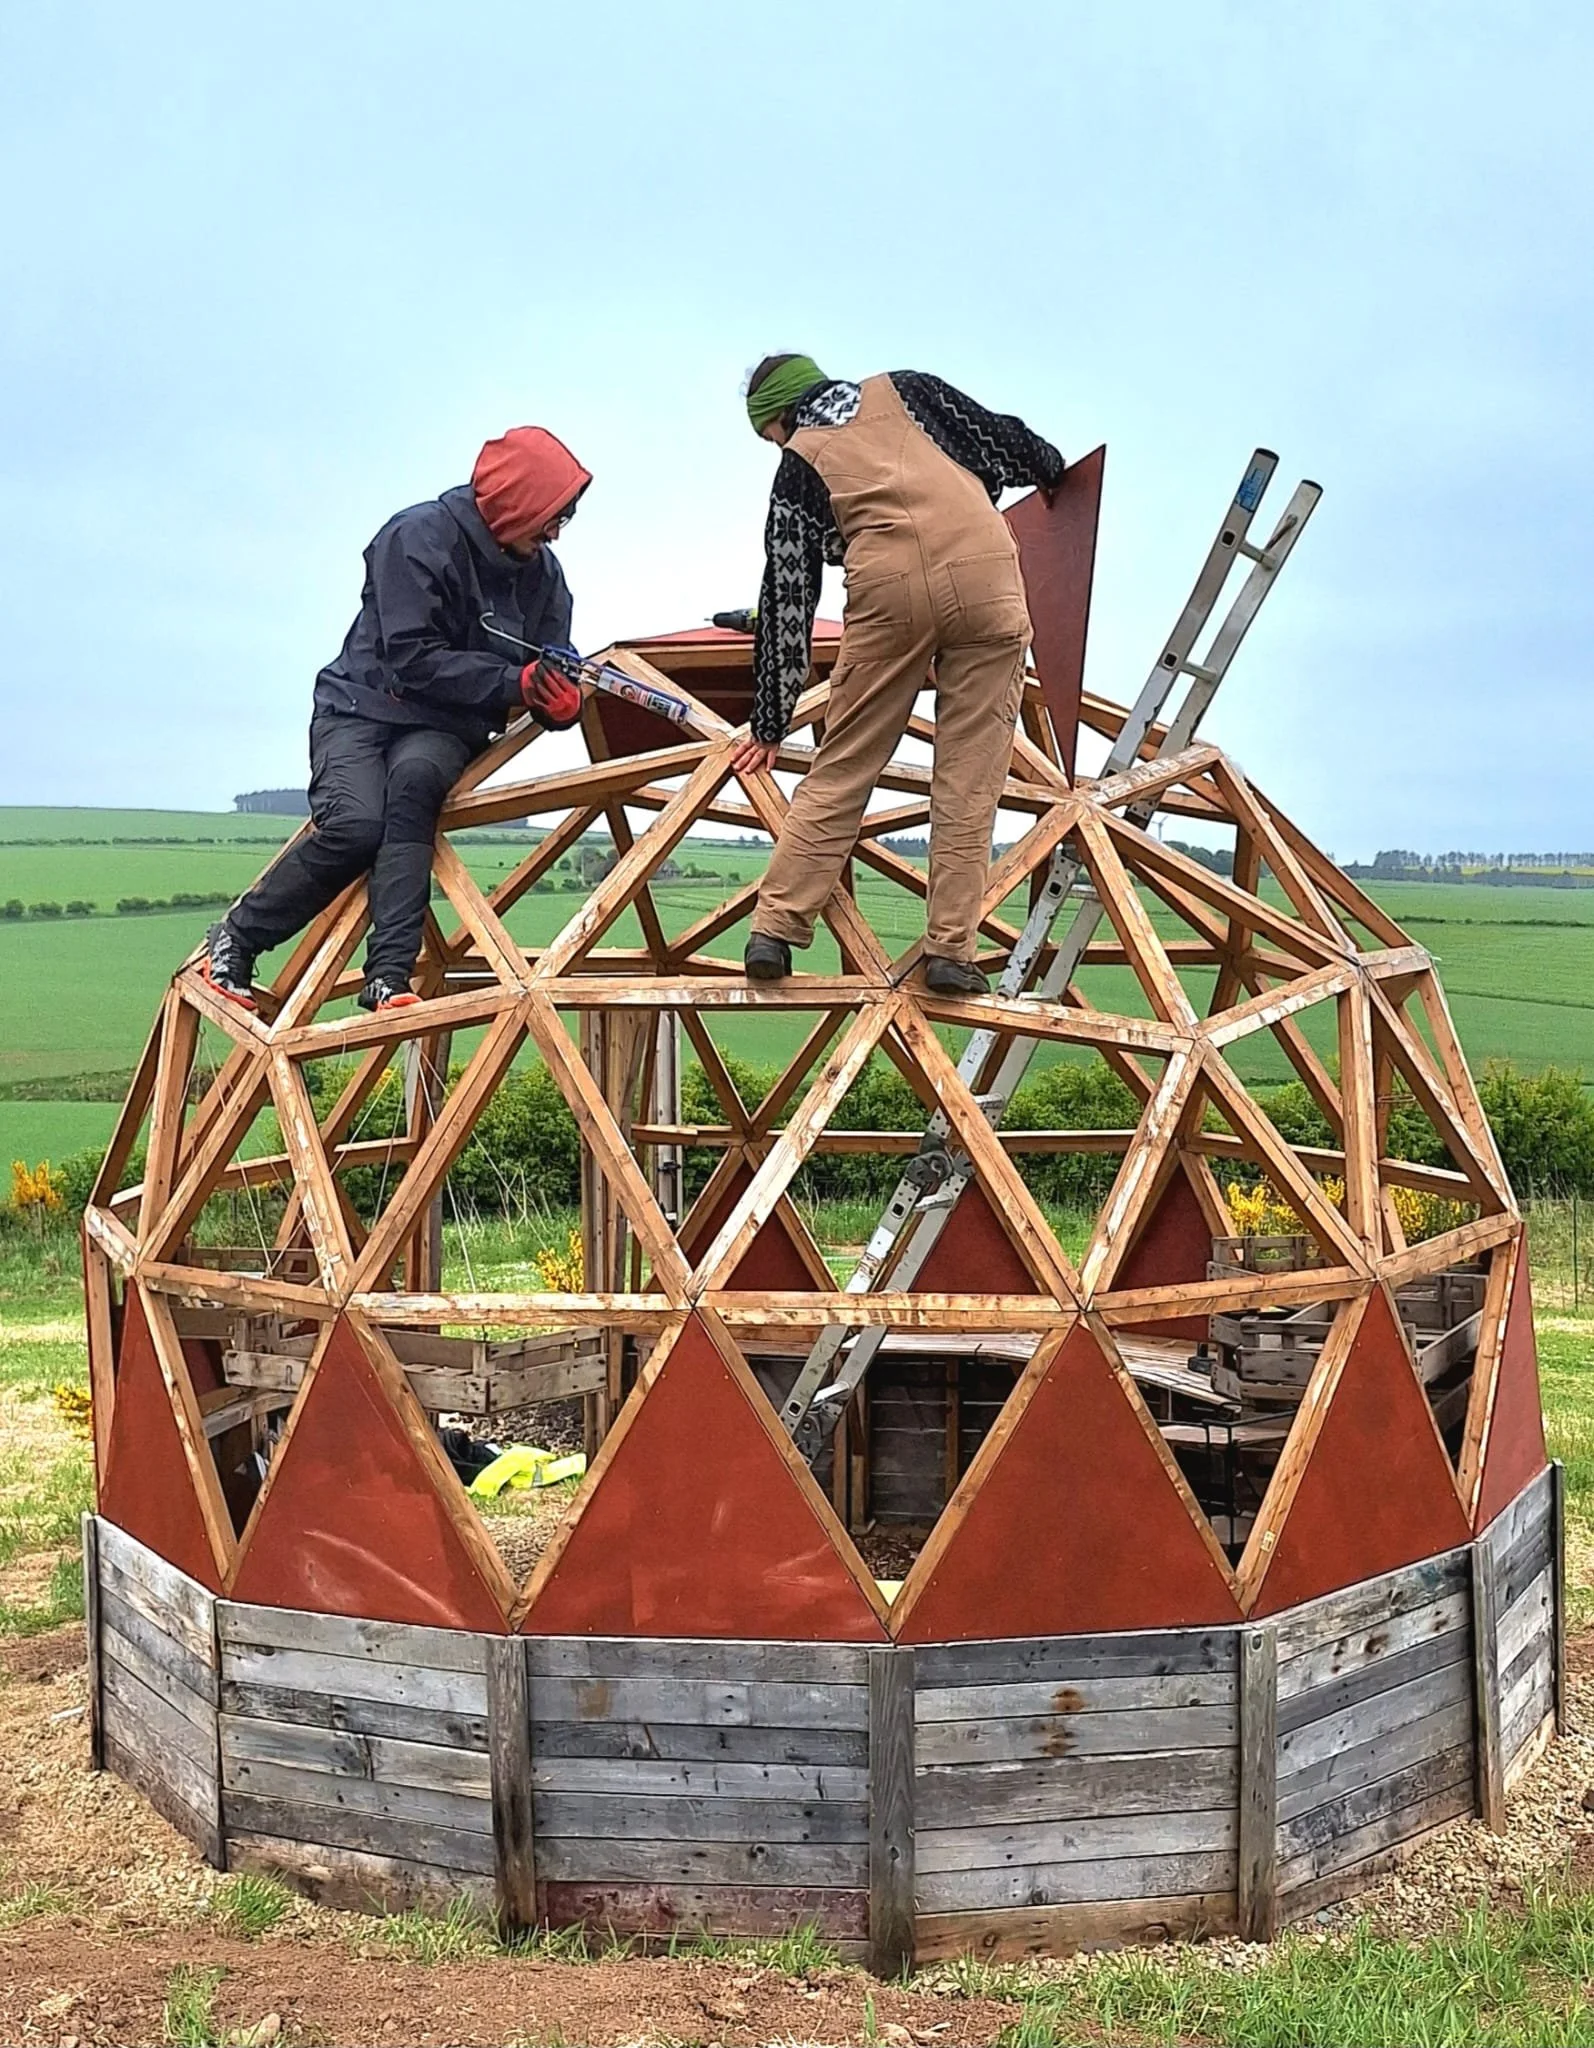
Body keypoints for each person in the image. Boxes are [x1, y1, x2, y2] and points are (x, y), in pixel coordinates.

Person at [203, 428, 591, 1013]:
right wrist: (516, 682)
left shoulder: (545, 577)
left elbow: (548, 658)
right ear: (514, 502)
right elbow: (411, 658)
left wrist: (560, 700)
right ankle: (237, 938)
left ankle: (388, 978)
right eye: (552, 515)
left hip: (444, 725)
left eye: (567, 515)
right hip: (360, 707)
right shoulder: (414, 537)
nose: (558, 531)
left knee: (414, 791)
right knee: (355, 825)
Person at [732, 355, 1065, 994]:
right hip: (987, 578)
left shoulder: (796, 464)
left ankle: (773, 930)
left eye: (769, 434)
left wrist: (771, 720)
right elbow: (1011, 442)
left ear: (777, 418)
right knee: (970, 778)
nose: (778, 444)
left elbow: (787, 595)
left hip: (889, 597)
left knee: (844, 765)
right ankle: (950, 951)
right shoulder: (909, 391)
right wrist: (1049, 469)